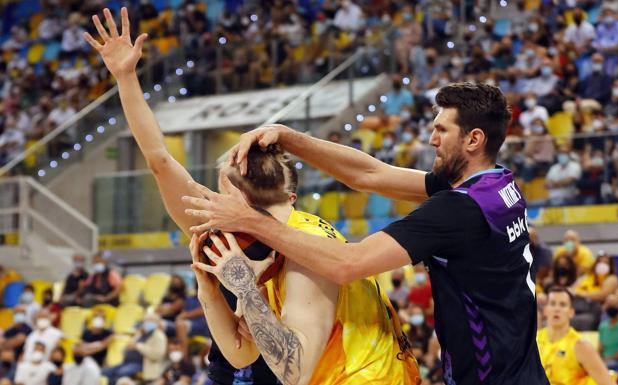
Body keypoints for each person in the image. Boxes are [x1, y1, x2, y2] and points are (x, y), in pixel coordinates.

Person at [85, 8, 419, 385]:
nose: (209, 194)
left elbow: (294, 372)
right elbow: (241, 352)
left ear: (234, 198)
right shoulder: (255, 234)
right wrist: (210, 290)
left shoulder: (305, 252)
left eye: (219, 185)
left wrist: (241, 284)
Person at [186, 83, 550, 384]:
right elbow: (369, 175)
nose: (431, 139)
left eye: (442, 130)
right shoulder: (495, 184)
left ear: (473, 139)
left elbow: (349, 263)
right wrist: (288, 137)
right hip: (518, 368)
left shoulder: (459, 209)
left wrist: (248, 220)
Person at [83, 8, 279, 384]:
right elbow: (158, 158)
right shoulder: (214, 222)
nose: (214, 189)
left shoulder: (298, 237)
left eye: (225, 180)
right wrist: (125, 78)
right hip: (231, 371)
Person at [537, 287, 616, 385]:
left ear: (571, 312)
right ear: (545, 310)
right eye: (552, 304)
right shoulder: (535, 341)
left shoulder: (581, 346)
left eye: (562, 304)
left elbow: (608, 383)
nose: (557, 309)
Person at [102, 313, 167, 385]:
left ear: (157, 323)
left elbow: (157, 355)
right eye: (146, 320)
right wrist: (128, 348)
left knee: (121, 373)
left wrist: (138, 346)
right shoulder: (141, 333)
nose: (148, 322)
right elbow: (130, 345)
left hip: (142, 365)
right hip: (126, 363)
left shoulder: (159, 336)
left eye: (151, 320)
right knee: (106, 372)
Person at [599, 294, 618, 371]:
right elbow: (600, 349)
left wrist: (608, 359)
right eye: (609, 304)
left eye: (614, 304)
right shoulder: (603, 326)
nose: (611, 307)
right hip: (605, 360)